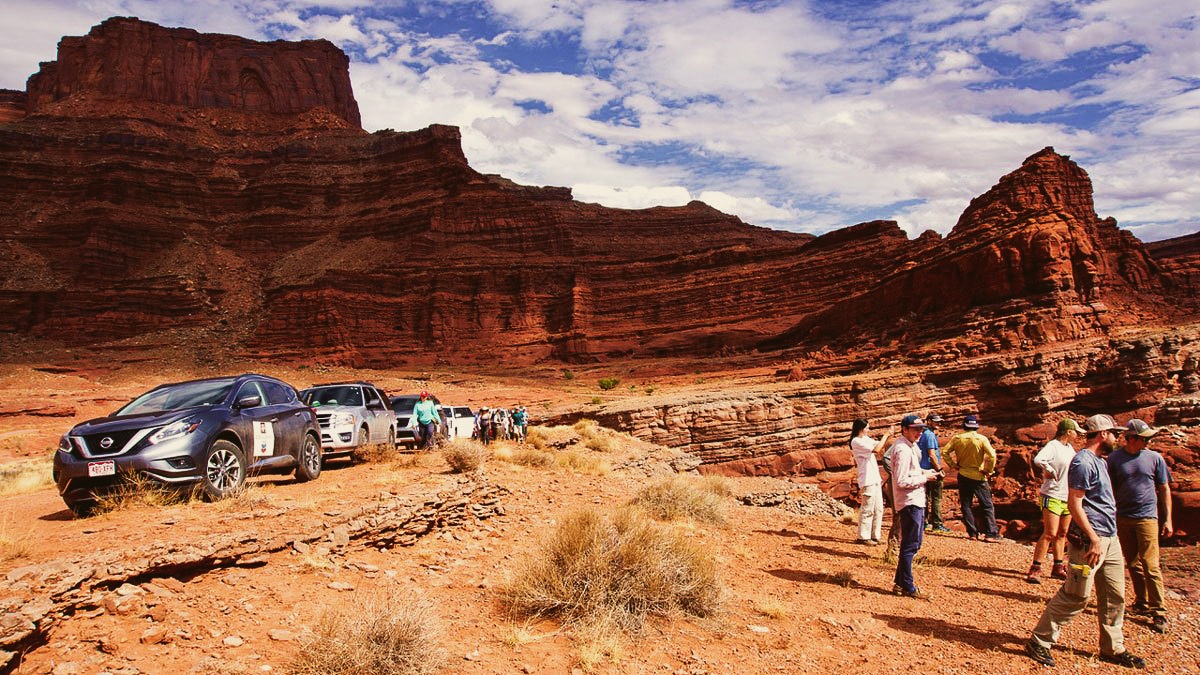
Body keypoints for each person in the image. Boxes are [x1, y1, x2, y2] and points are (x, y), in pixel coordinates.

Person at [1025, 414, 1145, 669]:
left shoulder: (1100, 460)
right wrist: (1092, 538)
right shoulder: (1083, 462)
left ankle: (1113, 647)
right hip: (1092, 540)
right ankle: (1040, 640)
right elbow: (1074, 502)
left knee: (1114, 594)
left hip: (1109, 538)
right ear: (1102, 434)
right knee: (1077, 594)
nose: (1117, 437)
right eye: (1114, 433)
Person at [1108, 418, 1173, 634]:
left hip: (1147, 517)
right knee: (1133, 562)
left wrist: (1167, 519)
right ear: (1131, 438)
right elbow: (1110, 489)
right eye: (1144, 438)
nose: (1148, 442)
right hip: (1123, 517)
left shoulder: (1155, 458)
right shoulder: (1114, 459)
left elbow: (1164, 488)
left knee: (1150, 564)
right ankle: (1142, 602)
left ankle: (1159, 611)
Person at [890, 414, 942, 599]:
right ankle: (908, 587)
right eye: (915, 429)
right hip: (910, 501)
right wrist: (925, 478)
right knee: (911, 545)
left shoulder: (908, 446)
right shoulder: (903, 449)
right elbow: (902, 480)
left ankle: (899, 583)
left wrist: (925, 471)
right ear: (904, 429)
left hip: (915, 500)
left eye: (921, 428)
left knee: (912, 543)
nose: (919, 432)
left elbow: (910, 471)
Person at [1027, 418, 1082, 584]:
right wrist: (1049, 470)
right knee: (1050, 532)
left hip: (1067, 496)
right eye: (1075, 431)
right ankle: (1035, 568)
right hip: (1052, 495)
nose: (1077, 435)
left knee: (1062, 533)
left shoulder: (1069, 448)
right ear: (1068, 432)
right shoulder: (1053, 446)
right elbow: (1038, 459)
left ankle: (1058, 567)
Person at [942, 414, 1000, 542]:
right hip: (979, 476)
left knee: (966, 505)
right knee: (987, 505)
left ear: (964, 426)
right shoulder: (982, 439)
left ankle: (972, 533)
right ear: (976, 426)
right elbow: (992, 456)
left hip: (963, 474)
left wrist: (953, 465)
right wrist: (988, 470)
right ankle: (991, 534)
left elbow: (944, 452)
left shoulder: (957, 438)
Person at [850, 418, 892, 545]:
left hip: (875, 478)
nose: (869, 430)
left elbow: (878, 444)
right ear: (861, 429)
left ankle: (875, 536)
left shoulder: (865, 439)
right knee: (867, 508)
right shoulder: (856, 441)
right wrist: (887, 434)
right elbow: (876, 449)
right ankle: (863, 536)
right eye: (867, 427)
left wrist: (888, 437)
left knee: (878, 508)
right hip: (867, 478)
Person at [918, 412, 951, 533]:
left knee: (924, 497)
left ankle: (924, 523)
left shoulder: (922, 433)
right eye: (936, 421)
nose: (938, 423)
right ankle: (937, 524)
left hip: (922, 470)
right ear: (929, 421)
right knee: (936, 498)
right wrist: (939, 469)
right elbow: (932, 455)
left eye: (939, 421)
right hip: (932, 470)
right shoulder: (930, 435)